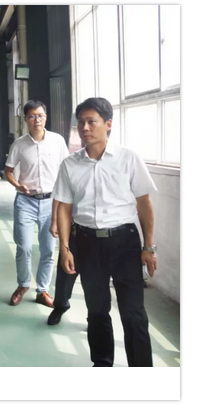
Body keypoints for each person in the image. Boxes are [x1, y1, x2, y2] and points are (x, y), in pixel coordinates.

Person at [53, 97, 158, 367]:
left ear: (108, 124)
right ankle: (102, 364)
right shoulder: (70, 164)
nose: (85, 128)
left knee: (133, 312)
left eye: (92, 121)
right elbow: (64, 208)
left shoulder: (127, 158)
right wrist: (65, 248)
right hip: (87, 243)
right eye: (81, 122)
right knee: (97, 310)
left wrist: (149, 247)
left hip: (125, 243)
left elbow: (144, 204)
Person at [4, 100, 70, 309]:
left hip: (51, 202)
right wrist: (18, 185)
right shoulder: (19, 144)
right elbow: (8, 171)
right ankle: (23, 285)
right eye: (32, 116)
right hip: (25, 201)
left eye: (40, 115)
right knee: (23, 247)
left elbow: (66, 170)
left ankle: (42, 290)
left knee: (48, 249)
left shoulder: (57, 141)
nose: (36, 120)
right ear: (26, 119)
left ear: (46, 117)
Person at [46, 199, 79, 326]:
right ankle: (60, 306)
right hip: (74, 228)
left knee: (96, 279)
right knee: (65, 273)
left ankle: (95, 316)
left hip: (101, 233)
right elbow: (60, 197)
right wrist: (54, 221)